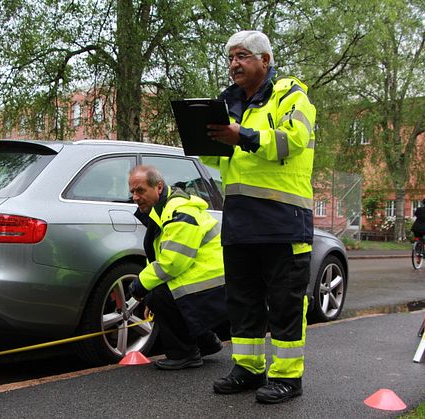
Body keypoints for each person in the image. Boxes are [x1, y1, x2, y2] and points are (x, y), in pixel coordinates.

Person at [202, 30, 316, 404]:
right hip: (240, 221)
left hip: (284, 221)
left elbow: (291, 140)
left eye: (242, 56)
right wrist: (205, 139)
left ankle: (286, 377)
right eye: (231, 57)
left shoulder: (291, 95)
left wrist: (242, 136)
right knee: (243, 301)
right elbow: (217, 160)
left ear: (265, 60)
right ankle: (248, 369)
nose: (234, 63)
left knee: (285, 303)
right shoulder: (228, 102)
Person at [127, 165, 227, 370]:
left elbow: (173, 262)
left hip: (214, 283)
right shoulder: (161, 211)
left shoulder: (180, 212)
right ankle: (205, 342)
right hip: (206, 277)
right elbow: (160, 256)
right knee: (156, 292)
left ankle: (185, 354)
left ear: (159, 188)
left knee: (160, 295)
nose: (135, 197)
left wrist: (140, 286)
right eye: (132, 192)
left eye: (140, 190)